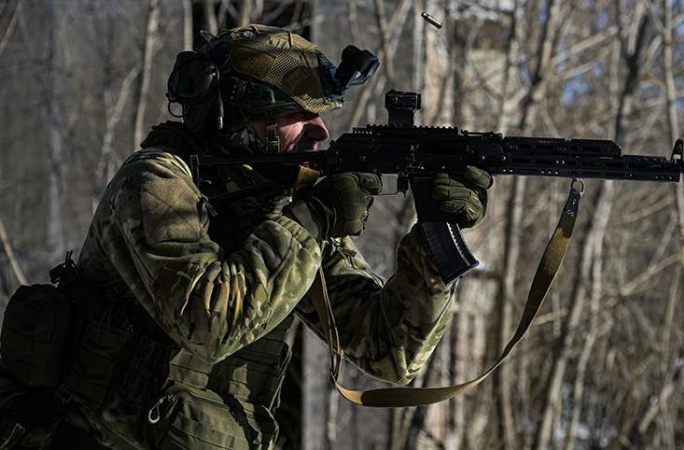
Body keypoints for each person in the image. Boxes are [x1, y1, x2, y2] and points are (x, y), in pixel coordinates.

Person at [0, 25, 492, 449]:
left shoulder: (283, 209)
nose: (321, 132)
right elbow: (211, 323)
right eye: (299, 113)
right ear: (242, 116)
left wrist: (433, 244)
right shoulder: (156, 182)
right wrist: (313, 217)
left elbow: (390, 350)